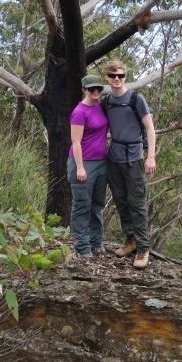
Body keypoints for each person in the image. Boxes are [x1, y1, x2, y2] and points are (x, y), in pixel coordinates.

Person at [101, 59, 156, 269]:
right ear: (107, 77)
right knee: (121, 201)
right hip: (114, 157)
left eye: (121, 76)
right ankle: (130, 241)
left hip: (134, 157)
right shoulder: (106, 101)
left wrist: (151, 156)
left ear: (125, 77)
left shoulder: (135, 99)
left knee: (137, 202)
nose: (117, 79)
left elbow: (150, 128)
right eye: (113, 76)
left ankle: (143, 248)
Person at [68, 74, 109, 258]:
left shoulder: (100, 107)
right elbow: (75, 142)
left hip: (101, 163)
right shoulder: (79, 112)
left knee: (97, 205)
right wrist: (80, 167)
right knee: (82, 205)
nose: (96, 92)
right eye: (91, 89)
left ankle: (96, 242)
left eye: (98, 89)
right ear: (84, 89)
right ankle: (82, 247)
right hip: (83, 164)